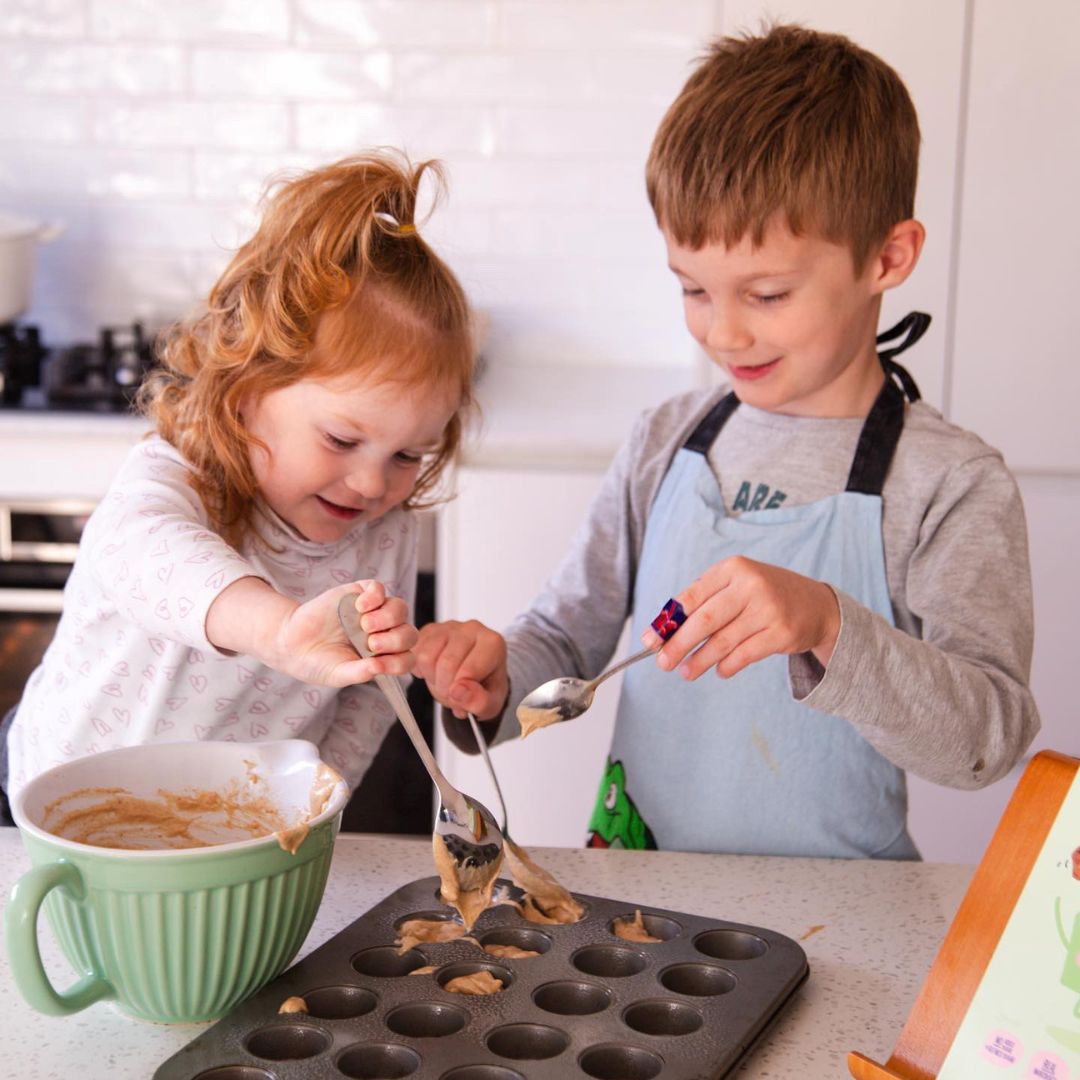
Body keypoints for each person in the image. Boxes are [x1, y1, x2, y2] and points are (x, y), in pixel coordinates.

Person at [414, 24, 1040, 859]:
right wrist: (493, 681)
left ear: (888, 257)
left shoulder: (947, 483)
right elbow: (566, 640)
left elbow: (986, 741)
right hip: (647, 901)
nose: (726, 331)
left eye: (769, 293)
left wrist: (826, 623)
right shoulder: (667, 441)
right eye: (693, 289)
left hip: (842, 917)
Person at [0, 152, 476, 821]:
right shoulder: (182, 474)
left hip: (223, 828)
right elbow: (142, 551)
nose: (372, 482)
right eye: (341, 439)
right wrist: (280, 630)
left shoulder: (386, 534)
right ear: (248, 388)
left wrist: (315, 803)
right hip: (56, 798)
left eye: (409, 455)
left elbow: (374, 692)